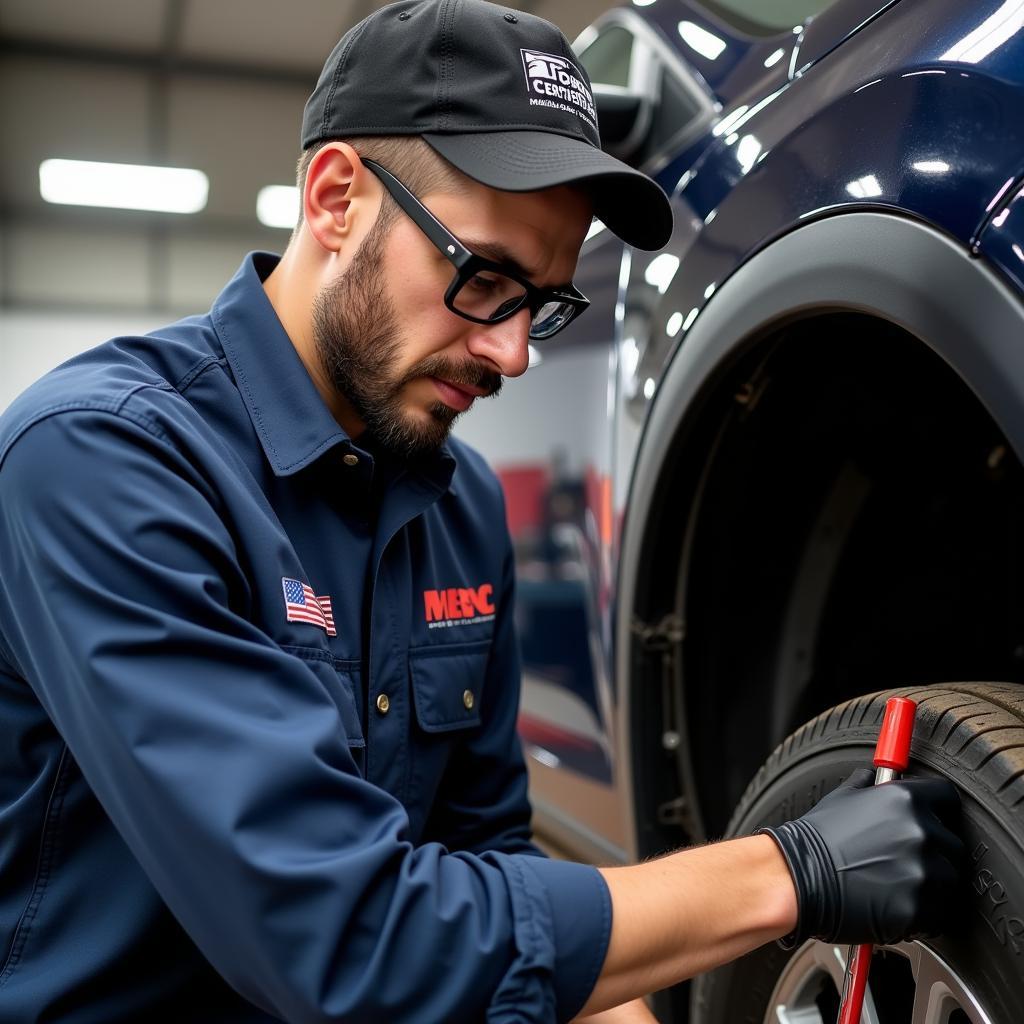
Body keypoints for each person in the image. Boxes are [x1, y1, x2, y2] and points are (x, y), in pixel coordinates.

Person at [0, 1, 963, 1021]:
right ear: (335, 199)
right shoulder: (105, 460)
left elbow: (491, 868)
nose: (512, 352)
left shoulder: (457, 507)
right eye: (484, 278)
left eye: (543, 302)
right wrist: (789, 871)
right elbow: (345, 938)